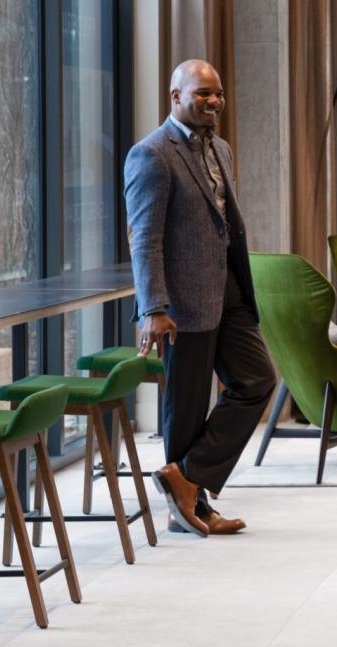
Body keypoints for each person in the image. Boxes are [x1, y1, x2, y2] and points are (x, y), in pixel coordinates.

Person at [124, 59, 274, 538]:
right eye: (202, 93)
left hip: (228, 289)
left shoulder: (221, 148)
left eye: (218, 93)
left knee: (256, 380)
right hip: (182, 303)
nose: (213, 101)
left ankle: (185, 480)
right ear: (175, 97)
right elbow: (143, 237)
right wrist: (153, 308)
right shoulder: (152, 154)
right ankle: (190, 508)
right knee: (185, 409)